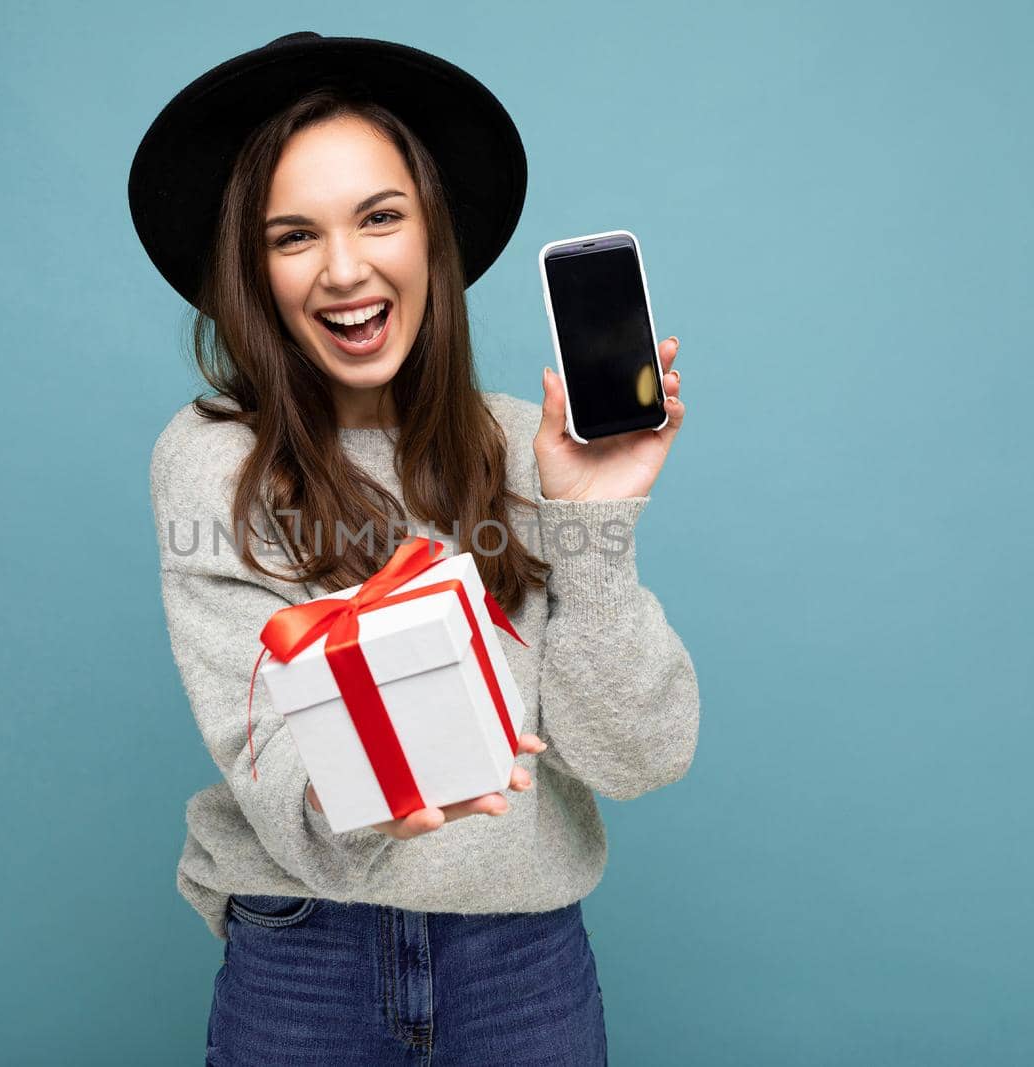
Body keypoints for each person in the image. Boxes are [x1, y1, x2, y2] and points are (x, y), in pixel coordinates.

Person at [128, 31, 698, 1065]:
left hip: (520, 961)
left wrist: (593, 527)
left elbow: (638, 755)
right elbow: (273, 759)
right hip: (308, 955)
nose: (345, 269)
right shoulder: (215, 462)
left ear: (432, 231)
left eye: (379, 217)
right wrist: (377, 786)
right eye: (292, 236)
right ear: (250, 270)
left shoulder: (532, 450)